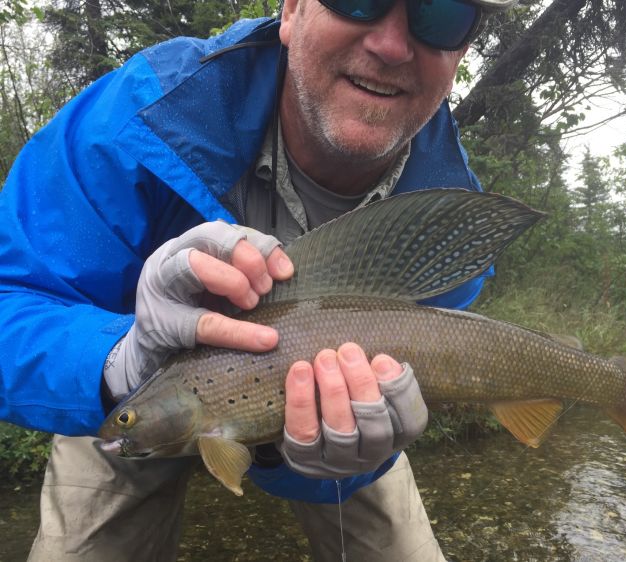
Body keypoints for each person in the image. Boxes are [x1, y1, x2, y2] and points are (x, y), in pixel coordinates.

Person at [0, 0, 515, 559]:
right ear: (292, 10)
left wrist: (305, 456)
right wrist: (114, 364)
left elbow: (408, 394)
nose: (390, 44)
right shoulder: (142, 114)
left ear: (460, 53)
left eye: (439, 15)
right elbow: (12, 297)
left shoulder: (452, 219)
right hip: (127, 397)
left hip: (339, 431)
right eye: (358, 0)